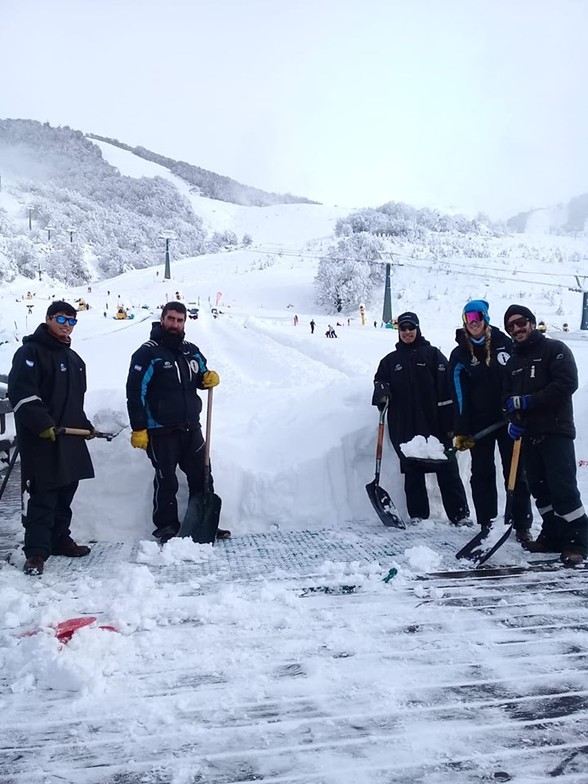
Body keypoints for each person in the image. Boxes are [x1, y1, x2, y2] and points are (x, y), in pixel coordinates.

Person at [126, 301, 229, 544]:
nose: (175, 324)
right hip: (160, 429)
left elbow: (201, 374)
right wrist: (139, 427)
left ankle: (203, 523)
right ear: (162, 319)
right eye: (171, 319)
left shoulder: (190, 350)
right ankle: (166, 526)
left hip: (190, 427)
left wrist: (207, 378)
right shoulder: (148, 353)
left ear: (185, 322)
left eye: (180, 320)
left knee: (202, 475)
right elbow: (135, 391)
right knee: (166, 478)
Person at [7, 301, 94, 576]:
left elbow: (74, 402)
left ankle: (59, 540)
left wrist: (85, 425)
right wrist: (42, 423)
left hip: (68, 437)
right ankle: (35, 552)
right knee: (44, 495)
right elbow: (21, 393)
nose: (66, 325)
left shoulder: (75, 359)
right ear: (48, 318)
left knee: (66, 491)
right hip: (42, 439)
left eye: (71, 321)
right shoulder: (30, 353)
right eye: (61, 318)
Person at [503, 304, 588, 566]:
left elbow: (566, 384)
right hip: (529, 437)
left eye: (521, 323)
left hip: (555, 431)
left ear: (531, 322)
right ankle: (551, 535)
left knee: (563, 489)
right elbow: (508, 400)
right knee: (540, 490)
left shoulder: (555, 350)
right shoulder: (514, 361)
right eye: (511, 326)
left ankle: (577, 541)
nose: (517, 329)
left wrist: (529, 401)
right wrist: (512, 421)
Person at [372, 311, 471, 526]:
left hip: (435, 423)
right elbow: (380, 379)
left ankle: (460, 515)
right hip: (405, 424)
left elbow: (448, 388)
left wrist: (451, 422)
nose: (407, 332)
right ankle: (418, 515)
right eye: (403, 329)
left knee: (447, 468)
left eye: (411, 328)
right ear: (398, 332)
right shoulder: (390, 361)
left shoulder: (433, 355)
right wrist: (382, 390)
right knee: (412, 470)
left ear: (418, 329)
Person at [449, 300, 533, 543]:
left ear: (485, 317)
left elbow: (518, 378)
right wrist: (462, 430)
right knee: (482, 472)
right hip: (479, 425)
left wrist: (518, 409)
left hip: (509, 419)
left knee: (515, 471)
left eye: (477, 317)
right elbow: (459, 394)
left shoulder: (504, 344)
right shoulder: (460, 353)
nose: (473, 323)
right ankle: (487, 523)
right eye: (468, 318)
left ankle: (522, 524)